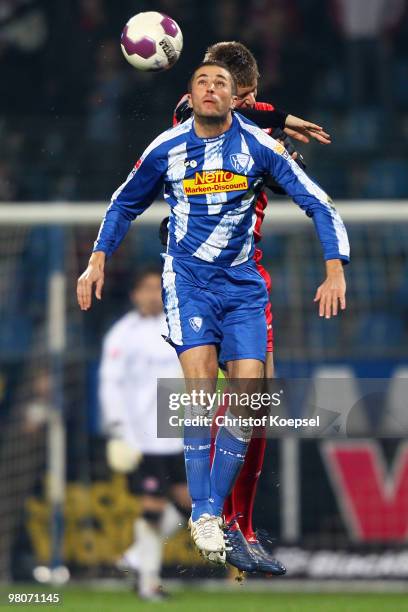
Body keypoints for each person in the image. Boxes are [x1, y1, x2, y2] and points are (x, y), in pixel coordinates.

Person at [77, 60, 349, 566]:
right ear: (190, 93)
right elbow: (122, 205)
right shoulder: (166, 146)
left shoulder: (260, 147)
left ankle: (211, 514)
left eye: (220, 83)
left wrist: (335, 268)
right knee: (200, 394)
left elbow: (319, 204)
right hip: (188, 282)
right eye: (202, 81)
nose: (210, 89)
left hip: (243, 286)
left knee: (251, 402)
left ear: (236, 99)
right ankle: (208, 513)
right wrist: (96, 261)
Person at [164, 41, 330, 575]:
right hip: (198, 276)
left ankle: (234, 522)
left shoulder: (255, 136)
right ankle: (224, 519)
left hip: (241, 279)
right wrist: (279, 124)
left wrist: (283, 145)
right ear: (243, 95)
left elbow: (276, 175)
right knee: (226, 396)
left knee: (255, 399)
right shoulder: (194, 119)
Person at [99, 267, 190, 601]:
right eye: (146, 288)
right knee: (151, 508)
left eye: (158, 288)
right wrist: (117, 430)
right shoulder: (122, 335)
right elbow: (111, 385)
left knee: (193, 507)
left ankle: (134, 557)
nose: (153, 295)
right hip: (142, 437)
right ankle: (148, 584)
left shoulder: (180, 325)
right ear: (135, 294)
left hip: (179, 432)